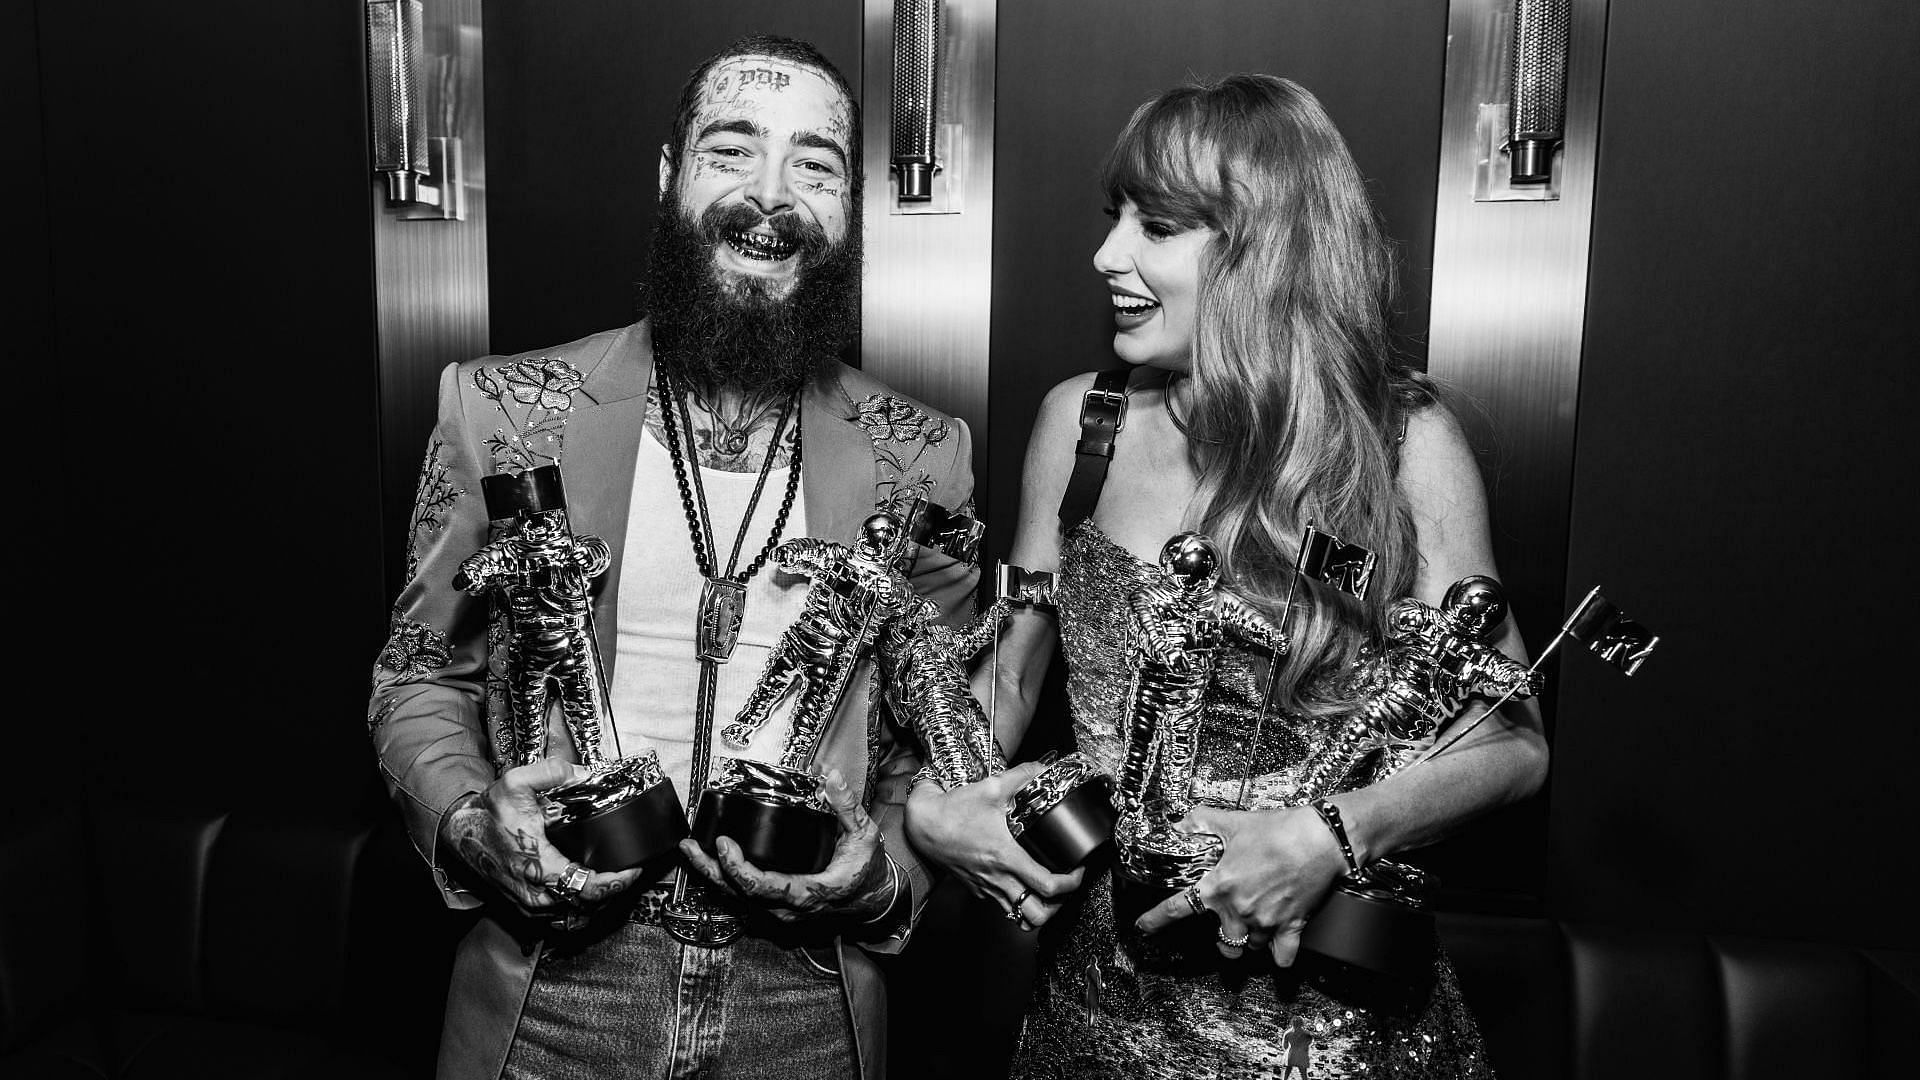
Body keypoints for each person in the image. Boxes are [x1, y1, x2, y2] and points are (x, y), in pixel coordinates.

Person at [906, 75, 1547, 1077]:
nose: (1106, 254)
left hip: (1335, 1030)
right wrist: (939, 800)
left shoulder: (1404, 443)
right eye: (1114, 216)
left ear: (1268, 248)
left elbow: (1512, 745)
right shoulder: (1082, 425)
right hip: (1098, 1014)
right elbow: (1012, 680)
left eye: (1157, 225)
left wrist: (1330, 836)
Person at [368, 35, 979, 1080]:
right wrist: (475, 827)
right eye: (732, 151)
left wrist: (878, 880)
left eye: (816, 166)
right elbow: (419, 677)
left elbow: (942, 738)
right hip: (552, 985)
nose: (771, 196)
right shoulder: (504, 408)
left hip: (807, 995)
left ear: (848, 210)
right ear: (670, 176)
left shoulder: (922, 455)